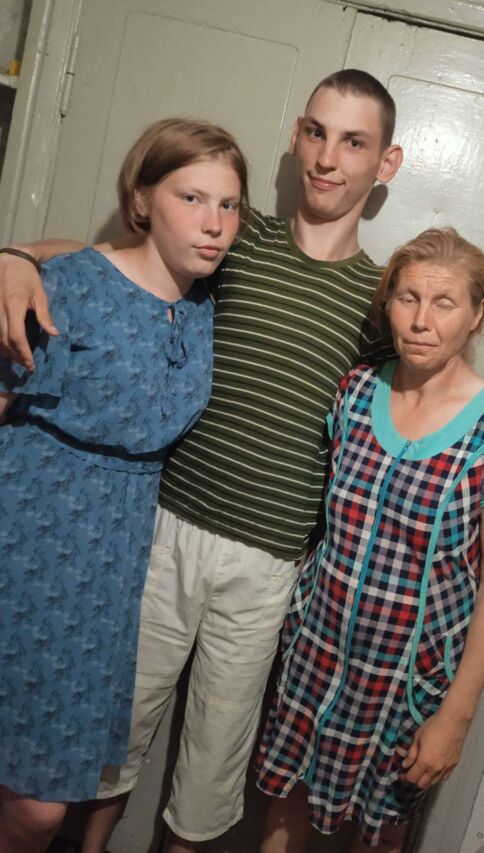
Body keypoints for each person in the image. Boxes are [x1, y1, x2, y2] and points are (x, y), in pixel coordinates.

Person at [0, 71, 484, 853]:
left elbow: (448, 377)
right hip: (163, 531)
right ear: (295, 137)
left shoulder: (379, 297)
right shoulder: (235, 238)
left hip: (271, 561)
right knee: (116, 737)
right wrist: (16, 254)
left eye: (353, 142)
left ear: (386, 163)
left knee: (212, 767)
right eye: (315, 132)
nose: (327, 157)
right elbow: (115, 259)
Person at [0, 118, 248, 853]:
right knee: (35, 807)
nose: (213, 223)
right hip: (25, 534)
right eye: (190, 197)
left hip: (109, 567)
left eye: (228, 205)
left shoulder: (204, 301)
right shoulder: (70, 286)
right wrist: (13, 255)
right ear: (142, 200)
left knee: (42, 799)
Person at [257, 227, 484, 853]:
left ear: (477, 315)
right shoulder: (357, 391)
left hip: (409, 680)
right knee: (285, 806)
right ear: (388, 305)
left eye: (444, 303)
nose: (421, 320)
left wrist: (456, 716)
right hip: (316, 652)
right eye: (407, 298)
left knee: (380, 831)